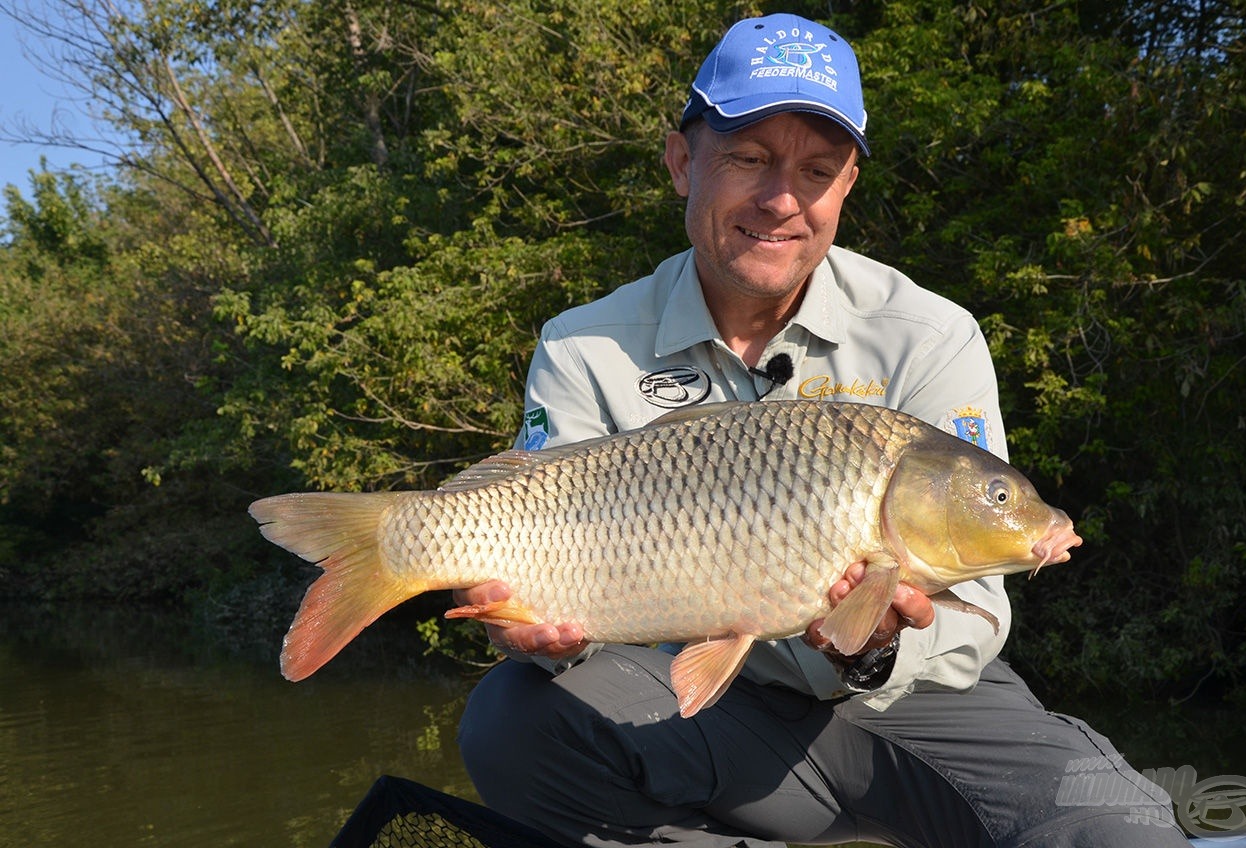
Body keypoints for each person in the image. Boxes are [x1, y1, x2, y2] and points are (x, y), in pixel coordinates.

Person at [455, 13, 1187, 848]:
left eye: (818, 170)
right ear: (680, 161)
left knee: (1126, 831)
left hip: (922, 712)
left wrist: (869, 648)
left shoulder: (929, 334)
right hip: (702, 705)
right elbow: (549, 594)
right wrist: (534, 635)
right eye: (749, 158)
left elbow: (974, 615)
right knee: (513, 720)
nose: (782, 200)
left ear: (846, 189)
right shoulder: (583, 345)